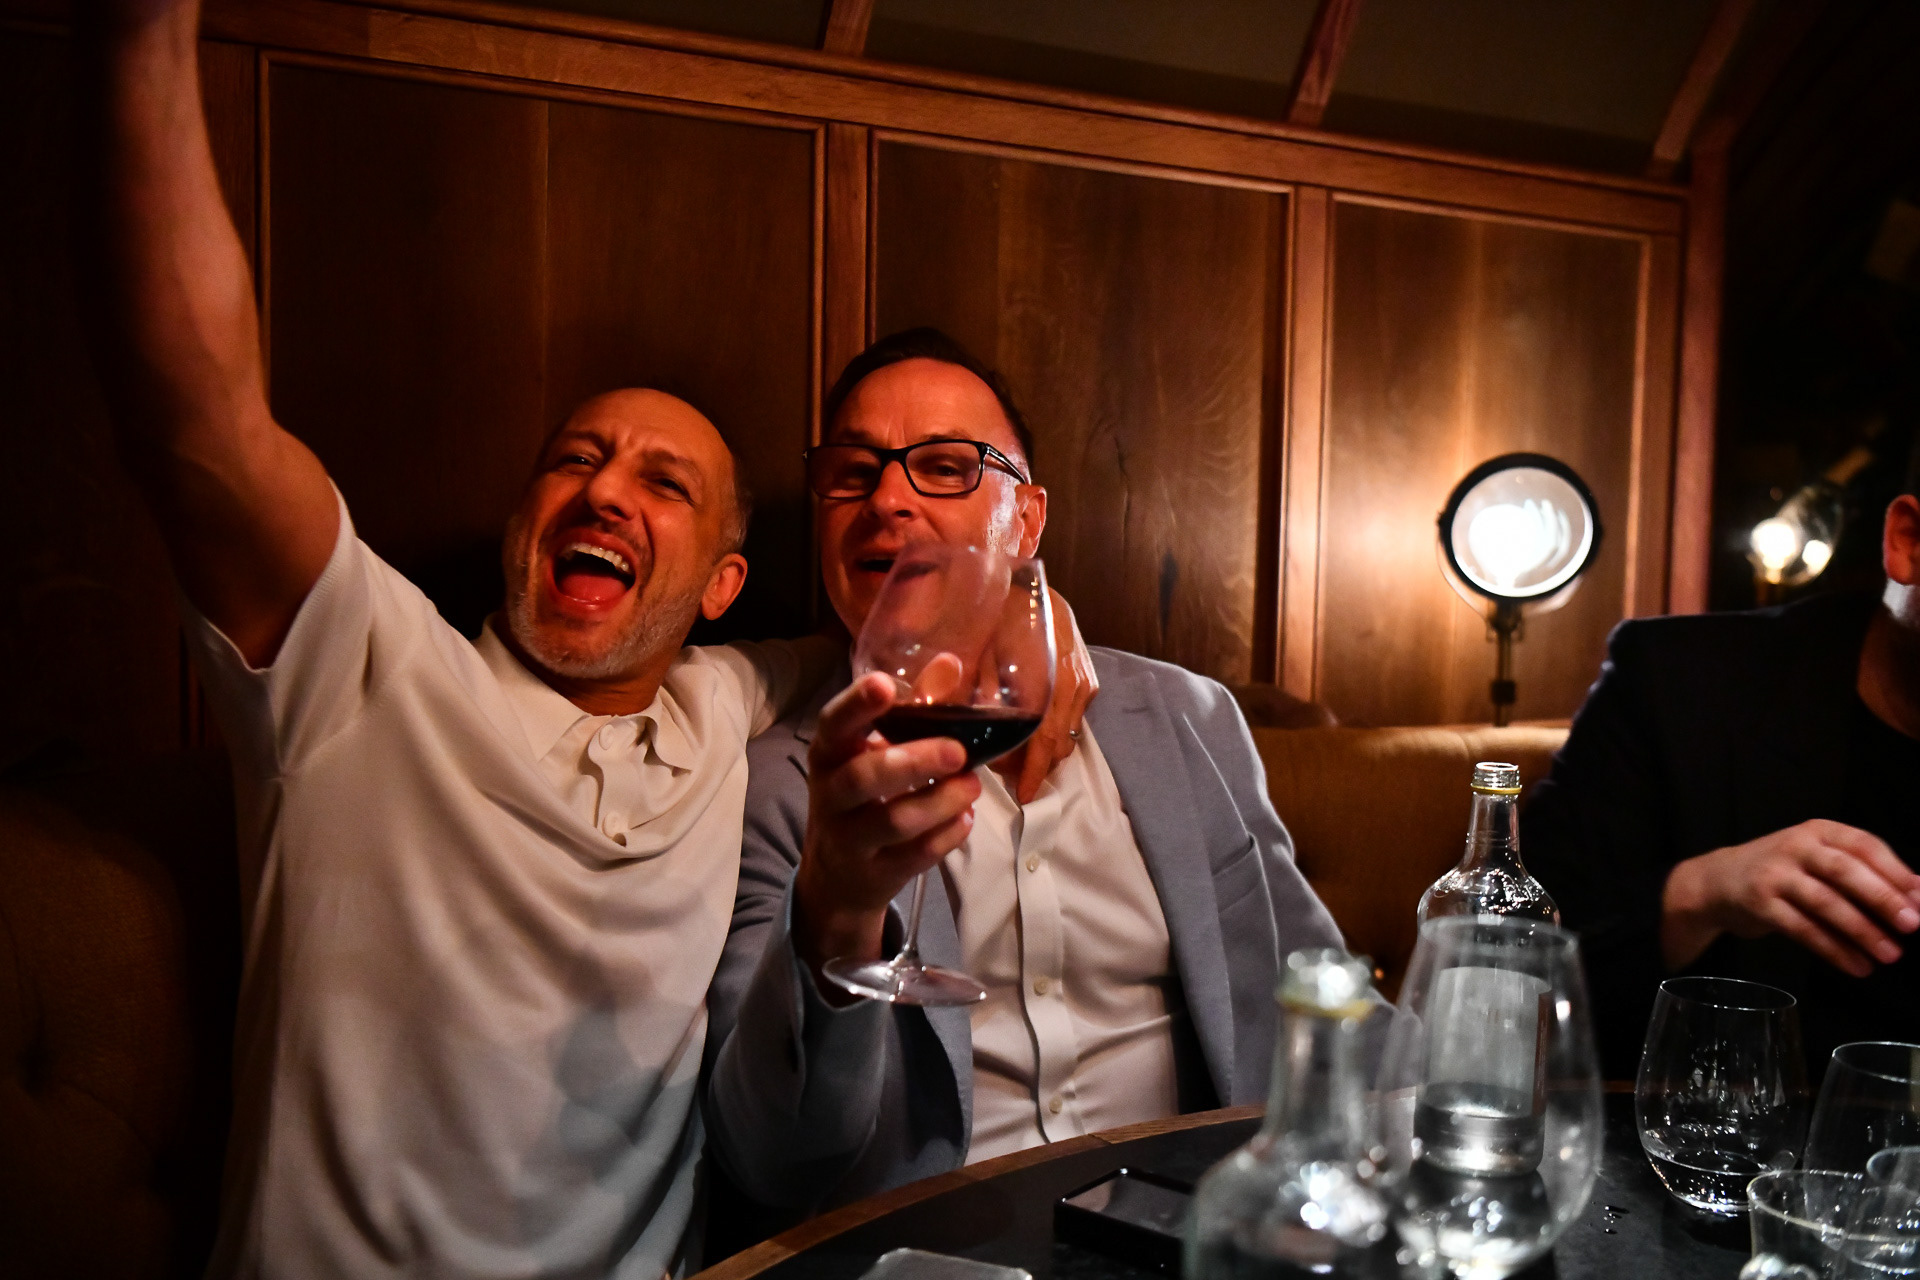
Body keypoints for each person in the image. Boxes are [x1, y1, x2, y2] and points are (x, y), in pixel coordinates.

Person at [73, 5, 1100, 1274]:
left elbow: (911, 606)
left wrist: (1039, 622)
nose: (605, 492)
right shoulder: (363, 668)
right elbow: (198, 419)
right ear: (524, 518)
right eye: (574, 459)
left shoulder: (733, 704)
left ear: (723, 583)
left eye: (664, 484)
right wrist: (141, 35)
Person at [703, 328, 1350, 1215]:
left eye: (944, 466)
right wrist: (834, 914)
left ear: (1027, 521)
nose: (886, 498)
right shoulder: (787, 784)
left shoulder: (1187, 721)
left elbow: (1324, 995)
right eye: (853, 472)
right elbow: (767, 1158)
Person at [1526, 446, 1920, 1080]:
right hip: (1712, 1132)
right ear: (1907, 542)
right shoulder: (1679, 687)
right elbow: (1506, 976)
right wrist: (1700, 894)